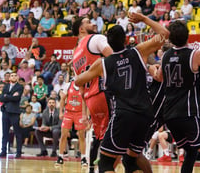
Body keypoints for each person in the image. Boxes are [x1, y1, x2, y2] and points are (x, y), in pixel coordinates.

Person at [75, 12, 169, 173]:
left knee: (105, 163)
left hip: (123, 114)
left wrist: (90, 68)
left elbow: (78, 81)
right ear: (125, 39)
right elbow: (165, 34)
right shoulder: (138, 51)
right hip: (145, 114)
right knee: (131, 161)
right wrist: (144, 19)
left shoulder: (102, 63)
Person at [156, 21, 200, 173]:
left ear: (170, 39)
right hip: (188, 113)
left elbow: (159, 77)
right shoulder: (194, 55)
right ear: (187, 36)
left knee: (191, 151)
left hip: (170, 116)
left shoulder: (165, 56)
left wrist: (152, 69)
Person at [71, 16, 113, 173]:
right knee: (115, 136)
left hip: (91, 100)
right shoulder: (96, 39)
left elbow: (81, 90)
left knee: (100, 137)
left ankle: (91, 169)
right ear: (81, 29)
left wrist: (85, 114)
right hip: (104, 92)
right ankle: (106, 168)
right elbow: (114, 58)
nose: (93, 23)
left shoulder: (75, 57)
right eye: (88, 22)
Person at [56, 79, 88, 166]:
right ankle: (60, 156)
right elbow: (62, 99)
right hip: (68, 112)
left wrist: (85, 115)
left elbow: (86, 102)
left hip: (79, 113)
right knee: (63, 135)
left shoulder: (84, 85)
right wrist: (61, 112)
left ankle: (83, 158)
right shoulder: (68, 85)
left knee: (81, 135)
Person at [0, 72, 24, 159]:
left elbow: (17, 98)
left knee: (17, 133)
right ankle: (3, 151)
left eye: (15, 75)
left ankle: (18, 152)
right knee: (5, 132)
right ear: (9, 77)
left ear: (17, 77)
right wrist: (10, 96)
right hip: (5, 111)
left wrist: (6, 96)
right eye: (12, 75)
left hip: (14, 112)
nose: (13, 77)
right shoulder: (6, 86)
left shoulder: (19, 86)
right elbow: (1, 98)